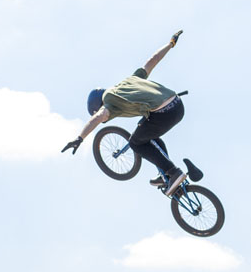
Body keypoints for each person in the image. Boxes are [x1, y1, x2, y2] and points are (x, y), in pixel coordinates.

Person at [62, 31, 193, 193]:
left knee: (135, 142)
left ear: (99, 104)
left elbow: (98, 117)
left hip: (164, 113)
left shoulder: (108, 101)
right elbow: (153, 60)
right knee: (147, 132)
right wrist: (170, 43)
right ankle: (164, 171)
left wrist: (79, 138)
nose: (107, 118)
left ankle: (173, 172)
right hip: (177, 105)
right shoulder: (129, 80)